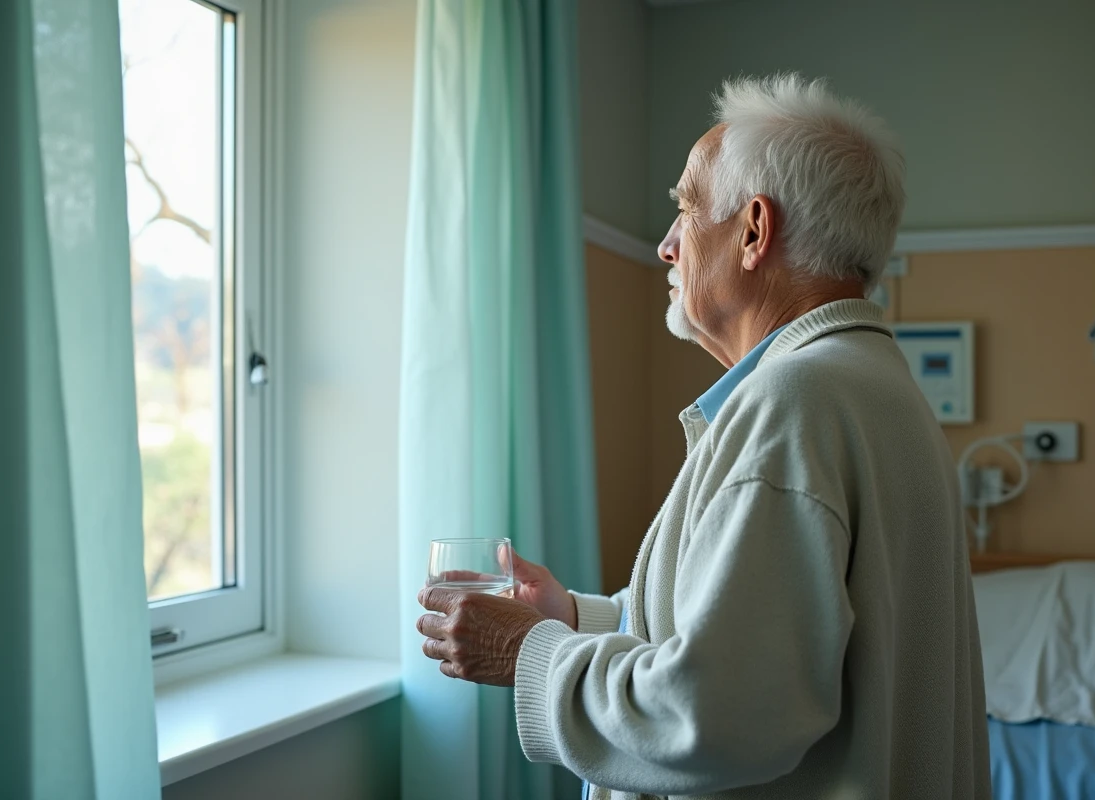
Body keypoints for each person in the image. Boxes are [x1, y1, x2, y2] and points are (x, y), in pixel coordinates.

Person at [417, 73, 990, 799]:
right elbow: (753, 631)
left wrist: (528, 652)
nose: (666, 247)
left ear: (754, 231)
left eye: (686, 209)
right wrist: (574, 618)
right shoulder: (873, 387)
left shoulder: (795, 403)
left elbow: (717, 716)